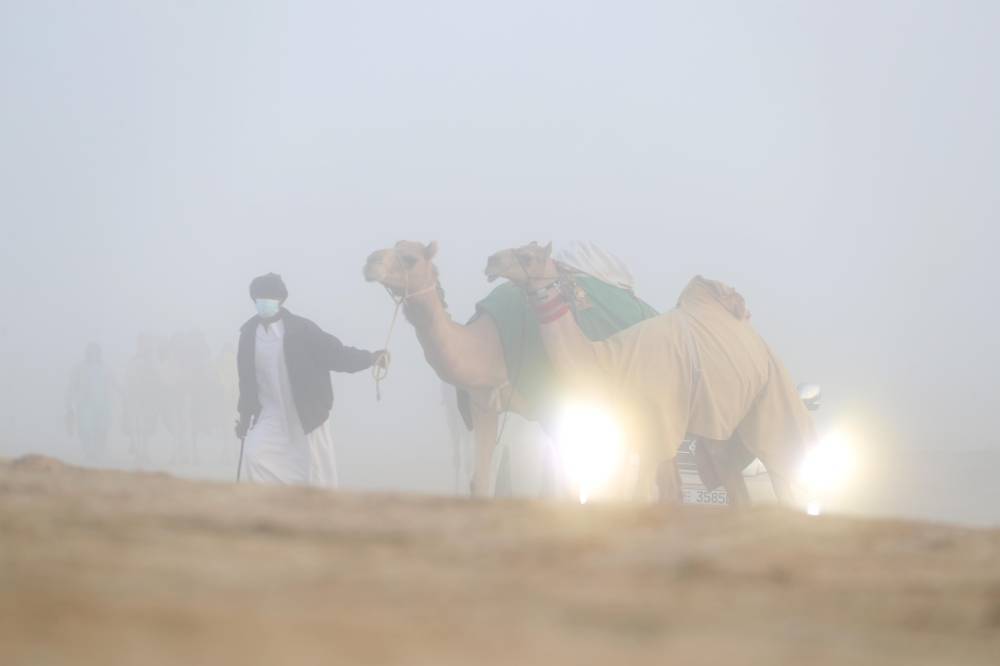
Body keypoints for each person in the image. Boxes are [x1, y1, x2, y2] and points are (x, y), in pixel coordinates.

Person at [235, 273, 387, 486]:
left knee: (313, 471)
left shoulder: (302, 329)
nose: (263, 301)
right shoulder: (248, 334)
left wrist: (370, 358)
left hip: (305, 414)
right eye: (259, 296)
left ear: (281, 299)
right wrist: (244, 417)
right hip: (269, 415)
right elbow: (247, 381)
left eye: (268, 296)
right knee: (254, 455)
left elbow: (336, 354)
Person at [66, 342, 115, 462]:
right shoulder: (79, 368)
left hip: (103, 404)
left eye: (96, 351)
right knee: (85, 429)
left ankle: (99, 452)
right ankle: (89, 452)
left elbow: (113, 383)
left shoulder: (105, 368)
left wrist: (123, 394)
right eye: (91, 351)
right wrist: (68, 403)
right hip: (85, 405)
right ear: (88, 353)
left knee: (102, 429)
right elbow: (72, 386)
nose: (94, 354)